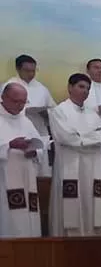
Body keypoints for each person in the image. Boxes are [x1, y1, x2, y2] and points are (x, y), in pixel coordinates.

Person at [48, 74, 101, 237]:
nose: (85, 91)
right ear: (70, 87)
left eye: (88, 88)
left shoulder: (93, 114)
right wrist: (89, 140)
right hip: (69, 164)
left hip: (92, 167)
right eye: (81, 86)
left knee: (91, 201)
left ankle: (93, 237)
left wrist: (81, 139)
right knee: (70, 204)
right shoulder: (59, 111)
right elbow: (66, 137)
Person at [0, 83, 46, 238]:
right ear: (3, 97)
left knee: (28, 216)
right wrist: (9, 145)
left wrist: (34, 152)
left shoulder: (25, 120)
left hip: (27, 177)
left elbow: (39, 145)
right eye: (16, 101)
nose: (20, 106)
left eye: (23, 102)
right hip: (4, 177)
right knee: (9, 218)